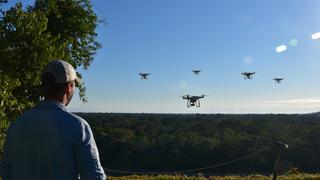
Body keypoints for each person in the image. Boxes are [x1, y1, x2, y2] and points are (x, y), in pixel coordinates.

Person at [0, 60, 106, 180]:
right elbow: (94, 176)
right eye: (74, 84)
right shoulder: (79, 127)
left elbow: (6, 172)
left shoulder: (16, 125)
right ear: (68, 87)